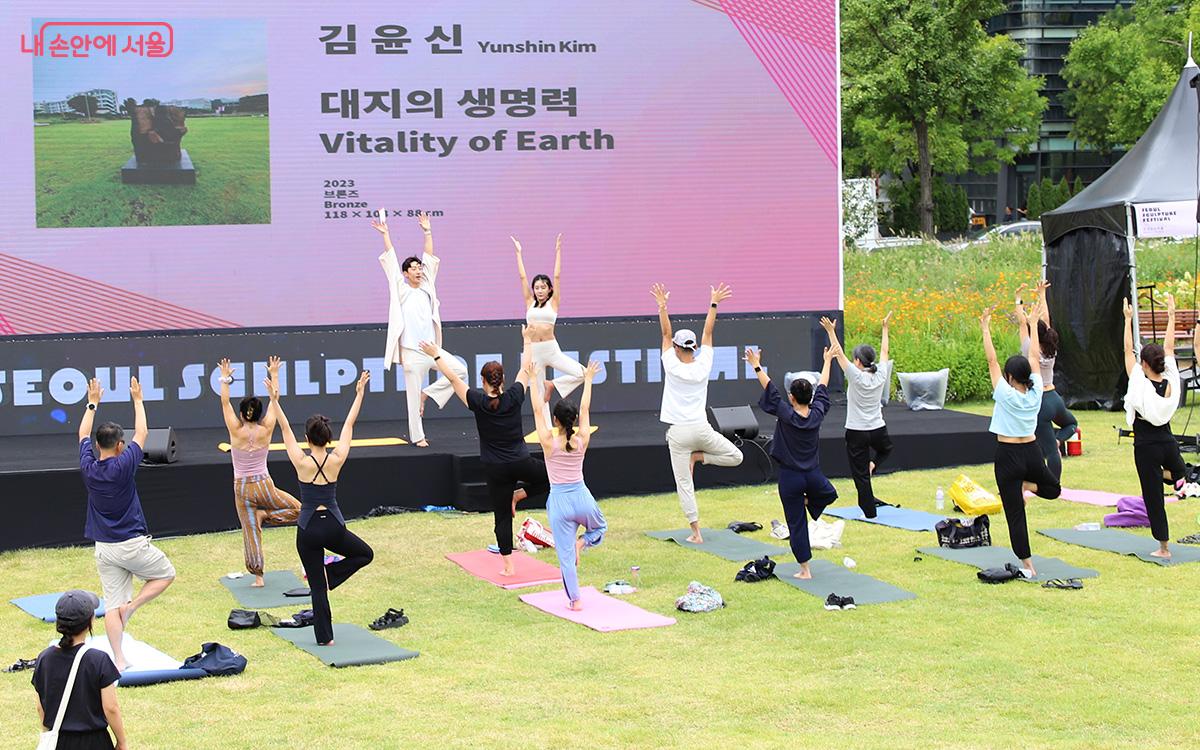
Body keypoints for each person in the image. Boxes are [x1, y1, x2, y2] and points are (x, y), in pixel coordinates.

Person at [421, 335, 549, 576]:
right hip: (519, 461)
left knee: (502, 516)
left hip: (495, 467)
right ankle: (519, 496)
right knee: (553, 477)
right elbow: (525, 368)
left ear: (483, 381)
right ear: (502, 380)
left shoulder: (477, 401)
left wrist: (435, 354)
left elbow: (452, 378)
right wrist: (527, 341)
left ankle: (509, 566)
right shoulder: (514, 395)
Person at [77, 377, 175, 672]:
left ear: (97, 446)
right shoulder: (125, 464)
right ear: (120, 445)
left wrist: (92, 402)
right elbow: (143, 432)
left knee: (111, 604)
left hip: (104, 548)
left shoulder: (88, 467)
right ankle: (131, 608)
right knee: (165, 575)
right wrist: (138, 398)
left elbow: (82, 432)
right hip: (132, 545)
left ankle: (119, 659)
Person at [269, 371, 374, 646]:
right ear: (328, 438)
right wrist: (359, 394)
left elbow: (284, 428)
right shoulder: (337, 458)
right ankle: (333, 574)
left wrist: (275, 399)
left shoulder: (301, 461)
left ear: (308, 439)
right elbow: (350, 424)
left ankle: (325, 638)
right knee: (365, 554)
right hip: (334, 527)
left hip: (308, 529)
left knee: (317, 588)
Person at [651, 282, 743, 543]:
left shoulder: (671, 363)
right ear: (692, 348)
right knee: (736, 456)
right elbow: (708, 333)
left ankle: (696, 533)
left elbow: (666, 334)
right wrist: (714, 303)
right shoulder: (704, 363)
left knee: (684, 484)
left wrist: (662, 306)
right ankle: (700, 457)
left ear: (679, 349)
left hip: (680, 434)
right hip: (701, 430)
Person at [371, 210, 468, 447]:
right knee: (412, 399)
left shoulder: (427, 286)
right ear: (406, 274)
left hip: (432, 349)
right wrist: (386, 234)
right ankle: (418, 436)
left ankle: (429, 394)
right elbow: (392, 262)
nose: (418, 269)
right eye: (413, 268)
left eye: (419, 267)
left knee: (460, 371)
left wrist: (427, 231)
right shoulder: (401, 290)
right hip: (412, 353)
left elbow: (430, 255)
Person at [744, 346, 839, 579]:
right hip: (813, 475)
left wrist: (756, 364)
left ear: (792, 397)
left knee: (796, 523)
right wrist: (827, 360)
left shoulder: (786, 413)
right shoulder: (817, 413)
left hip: (790, 478)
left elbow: (769, 387)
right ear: (810, 397)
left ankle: (805, 570)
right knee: (828, 493)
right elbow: (824, 386)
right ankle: (810, 502)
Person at [981, 302, 1061, 577]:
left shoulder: (1005, 393)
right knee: (1053, 489)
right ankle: (1028, 485)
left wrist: (985, 328)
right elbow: (1035, 358)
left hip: (1008, 455)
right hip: (1031, 452)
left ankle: (1028, 564)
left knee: (1015, 513)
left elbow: (991, 360)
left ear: (1009, 376)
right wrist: (1033, 323)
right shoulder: (1036, 390)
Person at [526, 358, 607, 609]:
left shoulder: (549, 442)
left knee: (565, 557)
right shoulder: (582, 438)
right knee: (599, 529)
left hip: (560, 501)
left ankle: (576, 600)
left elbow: (538, 411)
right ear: (571, 420)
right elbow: (585, 410)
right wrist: (589, 380)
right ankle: (582, 542)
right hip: (582, 497)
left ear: (556, 420)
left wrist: (532, 380)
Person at [1122, 294, 1195, 560]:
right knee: (1180, 473)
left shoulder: (1140, 383)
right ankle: (1177, 479)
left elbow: (1127, 351)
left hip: (1146, 446)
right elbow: (1170, 347)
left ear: (1144, 364)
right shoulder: (1172, 379)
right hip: (1168, 442)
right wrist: (1172, 316)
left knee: (1153, 498)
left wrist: (1127, 320)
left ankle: (1163, 548)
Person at [218, 356, 300, 587]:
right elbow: (275, 401)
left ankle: (258, 577)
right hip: (265, 485)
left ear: (242, 414)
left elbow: (225, 403)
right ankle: (268, 516)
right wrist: (274, 374)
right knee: (299, 510)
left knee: (250, 530)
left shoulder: (235, 429)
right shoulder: (266, 428)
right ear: (258, 413)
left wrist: (225, 378)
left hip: (242, 488)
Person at [31, 591, 127, 750]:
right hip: (94, 742)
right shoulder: (98, 659)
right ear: (91, 621)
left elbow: (40, 706)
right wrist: (122, 742)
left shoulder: (44, 658)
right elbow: (110, 708)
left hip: (59, 740)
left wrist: (48, 733)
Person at [819, 313, 893, 518]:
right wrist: (885, 329)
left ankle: (869, 513)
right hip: (878, 429)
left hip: (857, 431)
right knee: (886, 449)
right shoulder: (880, 374)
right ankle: (874, 464)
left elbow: (839, 354)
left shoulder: (855, 375)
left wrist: (831, 332)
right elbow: (885, 351)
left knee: (861, 476)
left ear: (858, 362)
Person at [512, 233, 587, 425]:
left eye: (543, 287)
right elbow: (522, 277)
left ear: (550, 289)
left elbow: (557, 275)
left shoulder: (553, 304)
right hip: (533, 352)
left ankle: (553, 384)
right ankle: (544, 429)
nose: (539, 290)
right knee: (537, 396)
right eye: (536, 287)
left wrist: (558, 250)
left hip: (551, 349)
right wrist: (518, 253)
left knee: (582, 373)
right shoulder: (529, 302)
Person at [1015, 281, 1077, 480]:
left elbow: (1021, 322)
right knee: (1071, 425)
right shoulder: (1051, 346)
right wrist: (1042, 295)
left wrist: (1018, 300)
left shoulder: (1029, 348)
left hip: (1040, 402)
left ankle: (1054, 483)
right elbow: (1046, 320)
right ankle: (1057, 441)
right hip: (1054, 398)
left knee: (1050, 450)